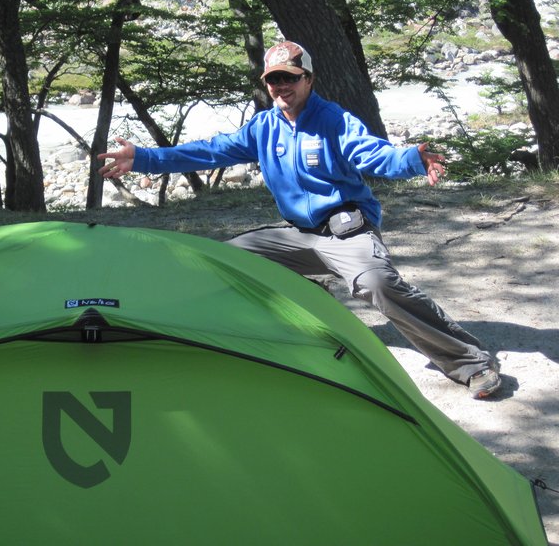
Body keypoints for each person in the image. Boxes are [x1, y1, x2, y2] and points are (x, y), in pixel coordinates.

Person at [98, 40, 501, 399]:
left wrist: (412, 159)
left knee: (376, 282)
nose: (281, 87)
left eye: (290, 78)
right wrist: (143, 158)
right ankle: (288, 317)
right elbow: (209, 151)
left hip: (348, 232)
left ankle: (469, 363)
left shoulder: (334, 121)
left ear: (308, 78)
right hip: (298, 235)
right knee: (225, 263)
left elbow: (372, 154)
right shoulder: (263, 126)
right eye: (273, 80)